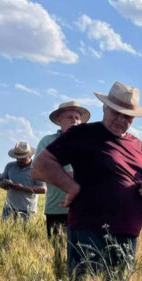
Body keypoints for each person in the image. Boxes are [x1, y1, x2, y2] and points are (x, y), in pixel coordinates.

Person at [32, 81, 142, 281]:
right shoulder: (82, 135)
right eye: (115, 112)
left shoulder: (140, 147)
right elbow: (41, 165)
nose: (121, 119)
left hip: (127, 237)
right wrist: (71, 186)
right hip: (89, 232)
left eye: (127, 115)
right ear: (104, 108)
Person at [35, 101, 91, 238]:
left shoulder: (89, 143)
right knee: (57, 253)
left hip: (85, 208)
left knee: (83, 254)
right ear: (59, 120)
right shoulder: (47, 142)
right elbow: (36, 172)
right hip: (56, 207)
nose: (74, 121)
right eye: (69, 117)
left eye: (77, 118)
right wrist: (68, 177)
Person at [0, 142, 46, 222]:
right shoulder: (10, 166)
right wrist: (3, 185)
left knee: (24, 233)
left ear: (30, 156)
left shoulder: (37, 169)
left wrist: (22, 188)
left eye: (23, 158)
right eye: (17, 157)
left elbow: (43, 189)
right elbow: (0, 181)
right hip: (8, 208)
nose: (19, 160)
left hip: (27, 210)